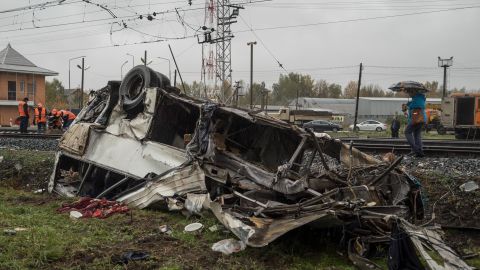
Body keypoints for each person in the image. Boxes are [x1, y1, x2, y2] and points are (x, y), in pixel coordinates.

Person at [404, 91, 426, 157]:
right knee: (417, 135)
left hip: (417, 120)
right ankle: (419, 152)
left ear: (414, 92)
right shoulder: (418, 98)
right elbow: (413, 110)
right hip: (420, 120)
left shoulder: (418, 98)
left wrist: (408, 105)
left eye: (410, 92)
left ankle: (416, 149)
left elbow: (417, 105)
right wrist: (408, 104)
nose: (409, 93)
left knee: (407, 132)